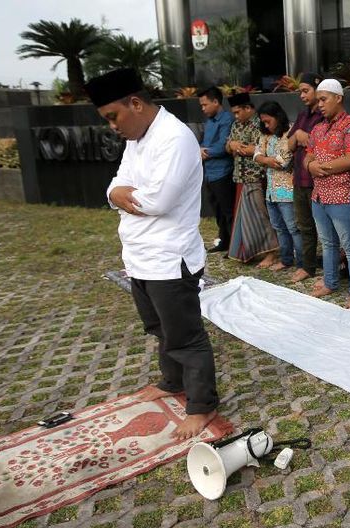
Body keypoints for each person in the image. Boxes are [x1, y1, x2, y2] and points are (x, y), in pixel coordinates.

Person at [86, 68, 217, 440]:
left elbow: (158, 200)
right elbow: (116, 185)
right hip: (139, 257)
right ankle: (173, 381)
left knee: (185, 336)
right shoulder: (137, 138)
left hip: (169, 259)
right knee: (160, 329)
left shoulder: (174, 137)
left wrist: (123, 195)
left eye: (114, 116)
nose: (113, 126)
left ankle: (202, 405)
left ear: (136, 104)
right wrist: (118, 194)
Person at [304, 79, 350, 309]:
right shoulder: (317, 128)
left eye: (323, 99)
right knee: (328, 243)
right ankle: (330, 282)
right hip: (319, 195)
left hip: (341, 194)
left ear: (338, 98)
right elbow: (308, 155)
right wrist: (310, 165)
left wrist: (320, 167)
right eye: (318, 100)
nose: (319, 104)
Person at [226, 92, 279, 266]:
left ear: (248, 108)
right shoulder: (236, 125)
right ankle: (249, 251)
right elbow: (228, 145)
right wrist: (231, 145)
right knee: (246, 218)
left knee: (261, 216)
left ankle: (272, 252)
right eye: (234, 113)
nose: (235, 116)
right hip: (240, 177)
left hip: (256, 176)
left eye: (238, 112)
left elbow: (264, 147)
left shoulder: (260, 124)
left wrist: (241, 148)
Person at [254, 100, 303, 272]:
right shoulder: (265, 135)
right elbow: (256, 155)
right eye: (264, 122)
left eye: (268, 121)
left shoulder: (290, 131)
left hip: (287, 191)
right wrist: (266, 159)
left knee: (293, 228)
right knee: (279, 228)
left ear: (278, 116)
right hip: (271, 191)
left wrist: (264, 159)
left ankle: (302, 264)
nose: (266, 125)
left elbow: (282, 162)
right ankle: (286, 259)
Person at [286, 73, 325, 283]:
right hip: (299, 179)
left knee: (326, 229)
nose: (302, 95)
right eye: (300, 91)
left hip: (319, 181)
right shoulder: (302, 116)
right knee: (305, 227)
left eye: (305, 90)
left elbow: (324, 145)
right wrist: (298, 136)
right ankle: (308, 267)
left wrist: (305, 138)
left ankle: (334, 268)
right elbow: (290, 144)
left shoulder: (325, 115)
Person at [197, 86, 235, 254]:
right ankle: (224, 241)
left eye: (205, 104)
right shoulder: (209, 121)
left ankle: (234, 246)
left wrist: (204, 152)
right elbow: (204, 143)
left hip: (223, 172)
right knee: (217, 210)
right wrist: (200, 150)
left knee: (228, 211)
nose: (203, 108)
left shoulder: (227, 119)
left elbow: (222, 147)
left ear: (215, 102)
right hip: (209, 173)